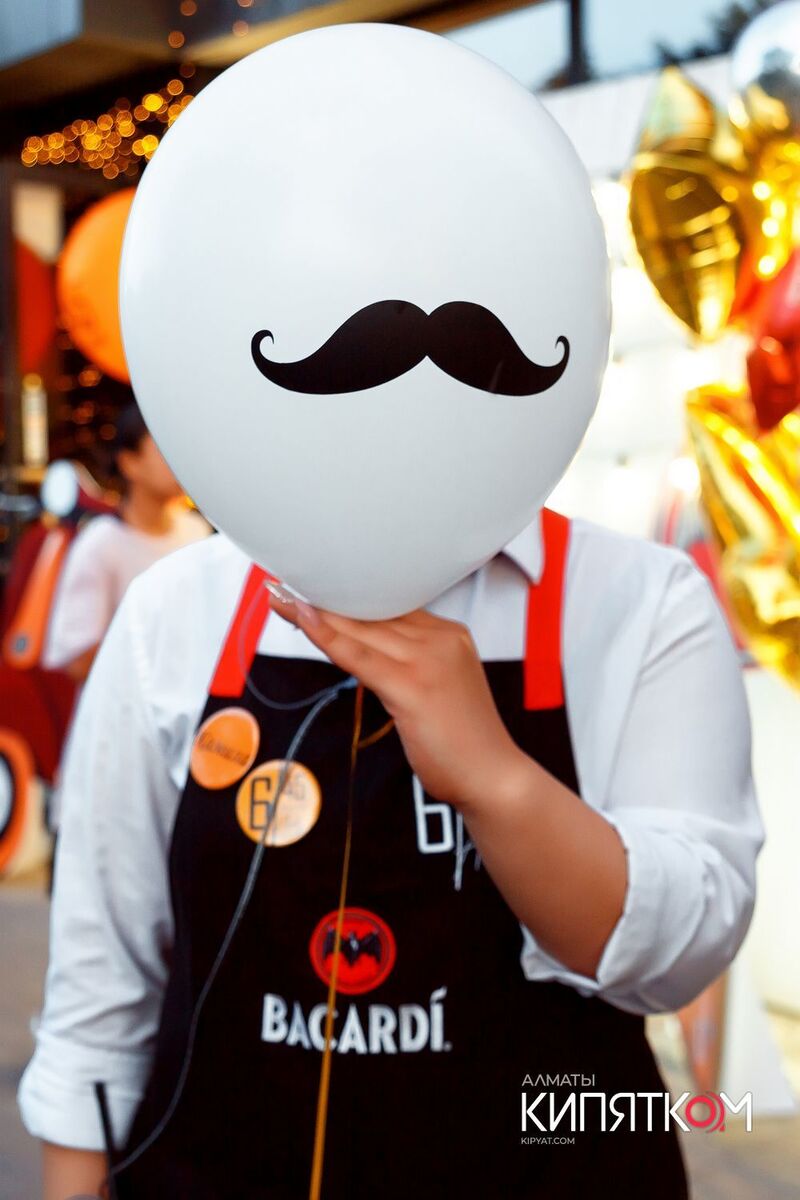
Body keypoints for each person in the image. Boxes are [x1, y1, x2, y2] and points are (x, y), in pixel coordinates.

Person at [19, 510, 761, 1199]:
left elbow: (682, 955)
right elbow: (100, 997)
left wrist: (496, 780)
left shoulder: (641, 600)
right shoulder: (176, 610)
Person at [43, 402, 208, 683]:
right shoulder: (101, 543)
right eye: (163, 448)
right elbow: (77, 660)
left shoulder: (196, 531)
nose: (178, 460)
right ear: (129, 463)